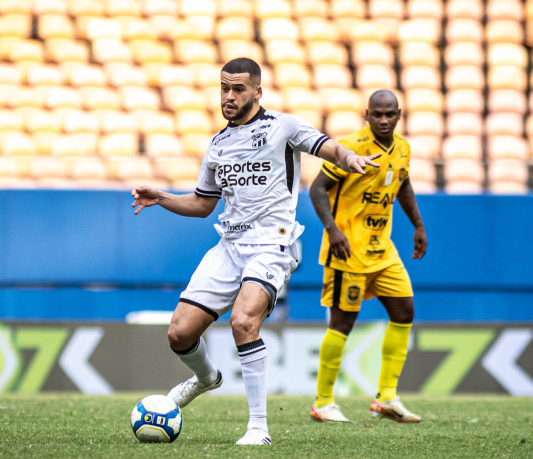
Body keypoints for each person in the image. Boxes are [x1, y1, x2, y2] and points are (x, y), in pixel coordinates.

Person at [131, 57, 380, 446]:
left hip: (273, 244)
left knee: (243, 322)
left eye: (238, 89)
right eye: (224, 88)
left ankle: (258, 428)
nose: (229, 96)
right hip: (229, 246)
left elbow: (327, 147)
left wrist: (351, 159)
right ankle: (206, 378)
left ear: (257, 92)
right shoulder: (217, 145)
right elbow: (202, 204)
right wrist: (160, 197)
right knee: (179, 334)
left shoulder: (283, 126)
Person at [308, 90, 427, 424]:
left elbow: (402, 185)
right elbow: (316, 189)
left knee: (404, 312)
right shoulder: (350, 148)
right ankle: (323, 402)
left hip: (383, 250)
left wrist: (418, 225)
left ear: (399, 114)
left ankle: (386, 398)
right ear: (367, 115)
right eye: (378, 114)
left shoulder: (402, 148)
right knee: (343, 323)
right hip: (348, 250)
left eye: (390, 114)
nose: (384, 120)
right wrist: (332, 230)